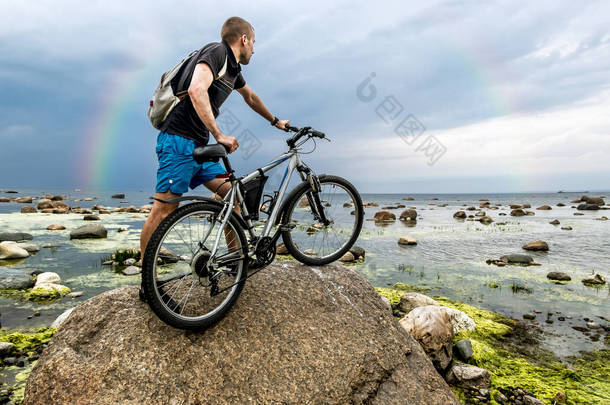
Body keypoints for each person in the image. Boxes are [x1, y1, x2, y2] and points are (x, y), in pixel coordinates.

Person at [139, 16, 290, 265]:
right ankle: (146, 279)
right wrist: (219, 134)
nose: (254, 48)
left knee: (234, 199)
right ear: (243, 40)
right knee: (164, 209)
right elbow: (196, 89)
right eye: (253, 42)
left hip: (200, 148)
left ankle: (233, 261)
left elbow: (250, 97)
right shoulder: (216, 52)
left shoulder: (233, 69)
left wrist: (275, 121)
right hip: (178, 142)